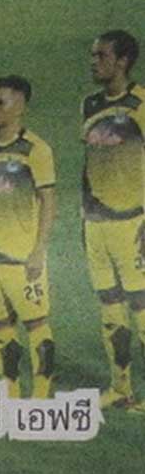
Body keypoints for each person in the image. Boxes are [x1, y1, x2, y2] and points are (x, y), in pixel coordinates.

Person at [0, 75, 57, 399]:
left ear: (19, 106)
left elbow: (49, 201)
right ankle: (10, 395)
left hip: (23, 258)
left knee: (36, 326)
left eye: (0, 102)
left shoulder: (35, 150)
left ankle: (41, 396)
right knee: (1, 329)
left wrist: (39, 250)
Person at [81, 30, 145, 410]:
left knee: (142, 307)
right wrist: (83, 215)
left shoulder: (140, 104)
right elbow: (89, 164)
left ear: (123, 61)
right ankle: (121, 388)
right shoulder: (89, 105)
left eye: (101, 56)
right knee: (110, 308)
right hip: (96, 224)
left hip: (132, 224)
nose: (94, 62)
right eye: (93, 55)